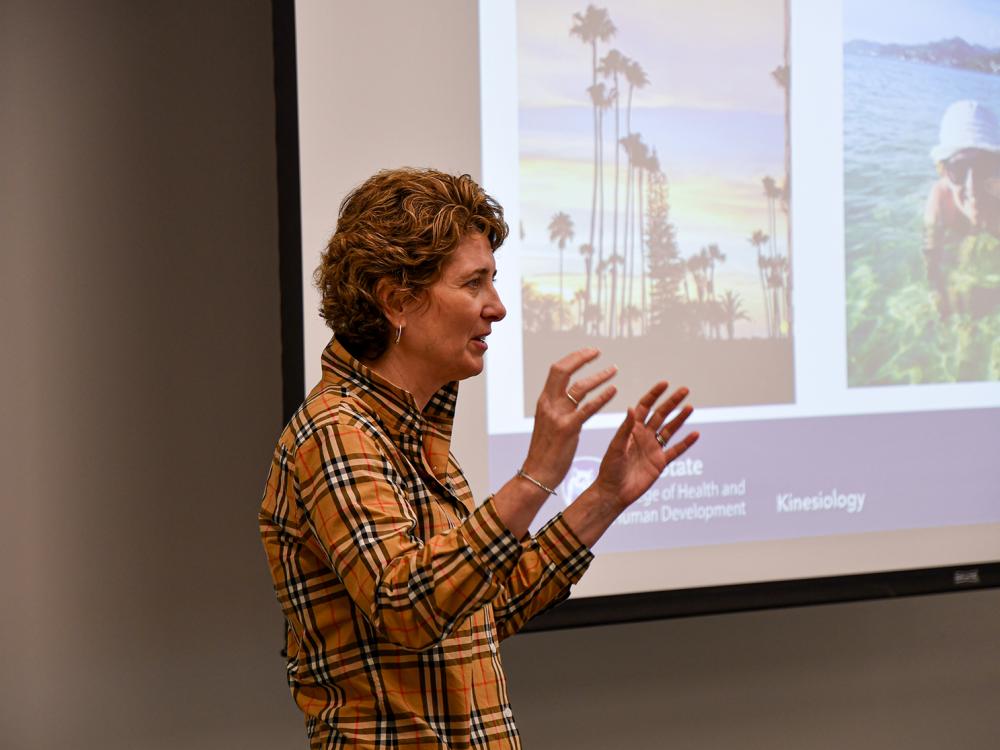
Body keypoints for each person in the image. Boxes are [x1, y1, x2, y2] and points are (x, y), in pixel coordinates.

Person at [259, 168, 699, 749]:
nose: (497, 308)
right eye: (474, 284)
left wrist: (604, 498)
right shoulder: (336, 433)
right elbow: (407, 607)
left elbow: (484, 609)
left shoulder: (416, 434)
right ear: (397, 299)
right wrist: (536, 475)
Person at [923, 99, 1000, 318]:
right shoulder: (940, 199)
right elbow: (931, 254)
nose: (972, 187)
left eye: (984, 167)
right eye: (959, 168)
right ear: (943, 170)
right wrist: (936, 290)